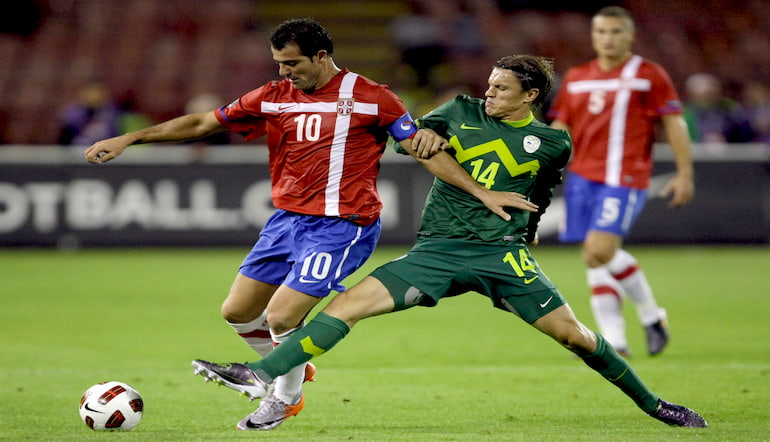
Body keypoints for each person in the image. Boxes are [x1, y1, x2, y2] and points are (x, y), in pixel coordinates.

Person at [191, 54, 708, 430]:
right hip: (435, 252)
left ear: (530, 96)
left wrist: (520, 238)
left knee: (574, 336)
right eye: (489, 85)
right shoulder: (457, 110)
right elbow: (407, 136)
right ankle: (261, 375)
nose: (489, 94)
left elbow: (538, 197)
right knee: (345, 305)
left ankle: (654, 405)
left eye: (502, 89)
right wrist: (421, 142)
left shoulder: (554, 143)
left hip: (503, 257)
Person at [85, 18, 509, 431]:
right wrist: (131, 138)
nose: (284, 73)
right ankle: (294, 363)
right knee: (237, 311)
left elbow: (422, 149)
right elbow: (203, 122)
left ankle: (283, 399)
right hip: (287, 221)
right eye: (279, 65)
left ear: (321, 57)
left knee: (282, 315)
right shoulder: (274, 95)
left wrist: (481, 192)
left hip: (344, 224)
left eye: (292, 64)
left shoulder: (372, 97)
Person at [547, 6, 695, 357]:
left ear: (630, 36)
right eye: (601, 32)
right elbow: (561, 126)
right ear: (593, 36)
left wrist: (685, 173)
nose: (607, 38)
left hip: (623, 175)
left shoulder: (649, 75)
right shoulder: (578, 76)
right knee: (593, 257)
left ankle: (651, 314)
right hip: (582, 176)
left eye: (615, 32)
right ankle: (616, 341)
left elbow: (674, 122)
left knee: (600, 249)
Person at [682, 72, 755, 144]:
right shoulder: (685, 113)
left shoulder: (729, 108)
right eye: (705, 95)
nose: (708, 98)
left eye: (711, 94)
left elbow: (744, 133)